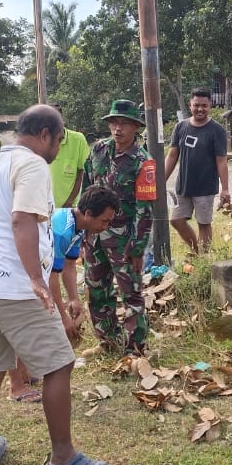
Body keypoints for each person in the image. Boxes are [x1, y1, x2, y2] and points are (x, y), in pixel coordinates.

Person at [0, 104, 111, 465]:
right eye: (59, 140)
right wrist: (34, 278)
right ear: (44, 134)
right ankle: (63, 456)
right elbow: (22, 220)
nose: (59, 150)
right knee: (59, 364)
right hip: (13, 285)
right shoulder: (31, 165)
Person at [82, 99, 155, 355]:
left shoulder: (144, 162)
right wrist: (84, 229)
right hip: (94, 235)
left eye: (124, 123)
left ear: (136, 127)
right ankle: (107, 340)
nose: (118, 128)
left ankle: (135, 347)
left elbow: (146, 209)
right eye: (114, 122)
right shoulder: (98, 150)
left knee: (131, 293)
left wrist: (138, 247)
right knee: (96, 289)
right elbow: (87, 189)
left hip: (125, 238)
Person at [50, 186, 121, 342]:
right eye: (104, 221)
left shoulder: (79, 225)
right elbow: (51, 277)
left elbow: (69, 266)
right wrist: (62, 316)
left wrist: (74, 299)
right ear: (88, 213)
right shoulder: (62, 232)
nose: (105, 227)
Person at [164, 88, 230, 252]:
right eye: (196, 105)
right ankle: (196, 250)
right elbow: (172, 156)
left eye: (204, 106)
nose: (200, 109)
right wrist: (160, 181)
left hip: (205, 187)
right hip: (183, 186)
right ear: (190, 105)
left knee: (204, 224)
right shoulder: (180, 127)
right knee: (176, 220)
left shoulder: (217, 130)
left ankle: (204, 259)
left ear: (210, 106)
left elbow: (221, 161)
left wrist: (225, 189)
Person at [49, 120, 90, 210]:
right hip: (44, 208)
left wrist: (69, 202)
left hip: (69, 207)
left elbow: (82, 173)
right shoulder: (41, 141)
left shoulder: (78, 139)